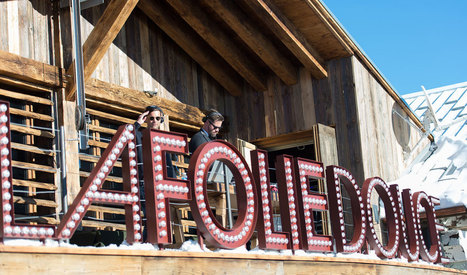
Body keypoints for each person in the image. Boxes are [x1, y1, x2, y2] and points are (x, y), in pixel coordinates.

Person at [134, 105, 175, 242]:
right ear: (146, 119)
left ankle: (156, 246)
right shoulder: (139, 135)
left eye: (158, 118)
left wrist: (173, 181)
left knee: (161, 219)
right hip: (145, 183)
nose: (154, 121)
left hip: (163, 184)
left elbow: (168, 162)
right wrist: (138, 123)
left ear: (161, 120)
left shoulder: (164, 137)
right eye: (151, 118)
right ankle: (148, 245)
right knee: (150, 218)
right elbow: (125, 138)